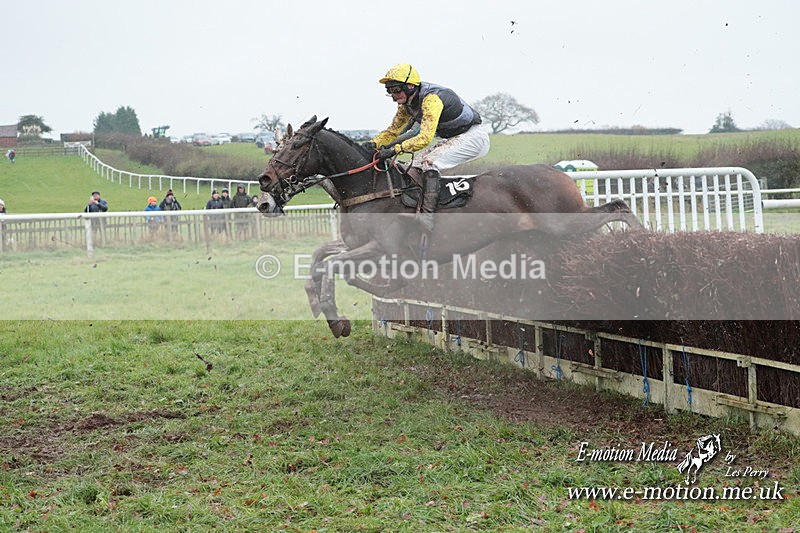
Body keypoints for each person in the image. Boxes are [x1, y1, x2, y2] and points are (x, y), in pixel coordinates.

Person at [364, 63, 490, 232]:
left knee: (430, 162)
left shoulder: (431, 99)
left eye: (396, 90)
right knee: (414, 165)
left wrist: (395, 149)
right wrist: (374, 144)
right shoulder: (406, 104)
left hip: (473, 137)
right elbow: (393, 131)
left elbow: (424, 138)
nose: (393, 96)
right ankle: (415, 206)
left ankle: (428, 216)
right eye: (389, 91)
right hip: (454, 138)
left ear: (410, 86)